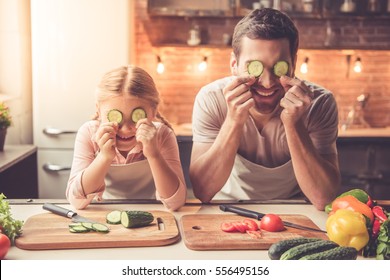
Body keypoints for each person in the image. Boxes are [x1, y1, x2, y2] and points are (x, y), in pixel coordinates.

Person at [189, 8, 341, 210]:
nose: (268, 83)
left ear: (293, 64)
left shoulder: (319, 103)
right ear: (234, 65)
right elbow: (203, 190)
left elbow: (325, 198)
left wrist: (294, 124)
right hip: (227, 208)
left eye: (279, 67)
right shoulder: (211, 99)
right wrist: (234, 120)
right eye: (255, 67)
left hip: (298, 210)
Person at [66, 65, 186, 210]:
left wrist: (154, 154)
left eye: (136, 117)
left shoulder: (162, 135)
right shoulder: (89, 133)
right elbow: (76, 201)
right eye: (116, 117)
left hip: (152, 213)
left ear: (153, 111)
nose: (126, 129)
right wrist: (104, 156)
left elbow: (176, 203)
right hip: (104, 211)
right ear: (98, 110)